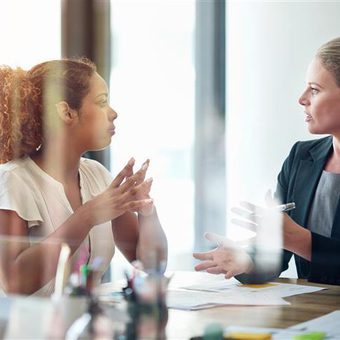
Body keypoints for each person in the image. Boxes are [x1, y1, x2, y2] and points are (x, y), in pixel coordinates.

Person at [0, 58, 168, 295]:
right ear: (66, 112)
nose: (113, 113)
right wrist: (87, 215)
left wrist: (146, 210)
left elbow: (150, 265)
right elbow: (15, 284)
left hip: (87, 328)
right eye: (101, 102)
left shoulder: (97, 175)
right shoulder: (13, 181)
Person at [193, 36, 340, 285]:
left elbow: (293, 239)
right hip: (313, 315)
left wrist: (300, 240)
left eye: (314, 89)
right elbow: (278, 253)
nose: (302, 98)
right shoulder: (301, 157)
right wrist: (246, 261)